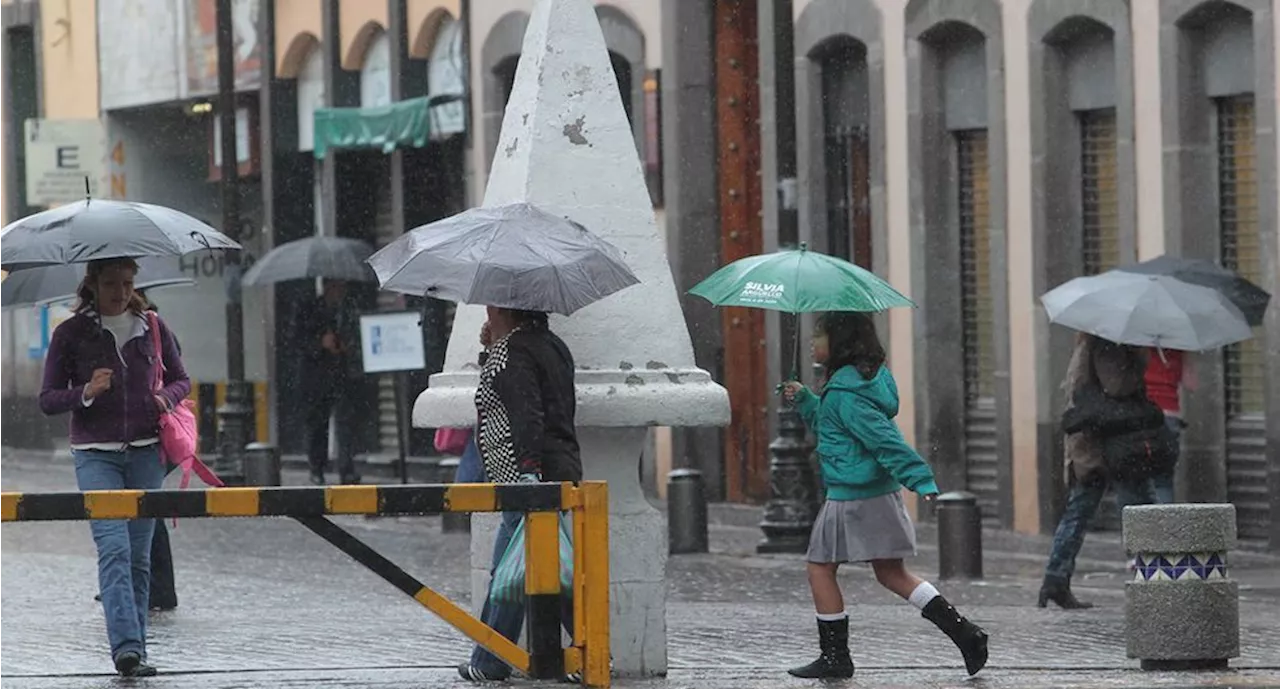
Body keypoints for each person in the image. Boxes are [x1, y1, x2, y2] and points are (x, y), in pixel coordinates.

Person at [780, 312, 988, 679]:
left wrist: (920, 478)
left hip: (852, 496)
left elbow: (883, 440)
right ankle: (966, 634)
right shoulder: (854, 384)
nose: (814, 343)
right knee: (892, 573)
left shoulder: (847, 392)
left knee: (820, 569)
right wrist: (809, 401)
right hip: (871, 493)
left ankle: (835, 656)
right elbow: (836, 429)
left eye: (820, 335)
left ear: (840, 341)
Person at [39, 258, 190, 677]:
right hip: (95, 455)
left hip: (146, 455)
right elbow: (48, 398)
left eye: (127, 284)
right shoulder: (70, 334)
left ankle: (136, 652)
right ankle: (125, 647)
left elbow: (182, 379)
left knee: (140, 559)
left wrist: (166, 399)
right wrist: (85, 392)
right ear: (92, 284)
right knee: (115, 549)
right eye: (110, 284)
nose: (120, 293)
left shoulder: (153, 328)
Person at [458, 307, 582, 683]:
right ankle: (592, 649)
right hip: (560, 468)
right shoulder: (552, 346)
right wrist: (491, 350)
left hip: (524, 478)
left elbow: (525, 413)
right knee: (546, 568)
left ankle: (491, 658)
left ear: (503, 309)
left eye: (491, 305)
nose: (486, 311)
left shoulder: (512, 352)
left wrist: (529, 471)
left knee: (508, 574)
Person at [1038, 335, 1172, 609]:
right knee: (1139, 506)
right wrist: (1138, 359)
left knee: (1085, 510)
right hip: (1107, 444)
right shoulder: (1107, 343)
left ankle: (1056, 579)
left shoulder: (1096, 341)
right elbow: (1117, 385)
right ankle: (1156, 575)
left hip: (1107, 441)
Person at [296, 279, 362, 485]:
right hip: (318, 377)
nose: (338, 291)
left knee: (346, 423)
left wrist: (347, 345)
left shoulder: (349, 309)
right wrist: (319, 344)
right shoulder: (309, 309)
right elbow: (298, 340)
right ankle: (317, 467)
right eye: (334, 287)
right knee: (317, 424)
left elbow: (356, 335)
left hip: (343, 375)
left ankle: (346, 468)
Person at [1143, 347, 1194, 504]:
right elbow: (1191, 382)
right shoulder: (1178, 343)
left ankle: (1141, 524)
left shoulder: (1137, 341)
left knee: (1138, 478)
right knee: (1163, 479)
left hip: (1144, 414)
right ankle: (1166, 525)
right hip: (1170, 414)